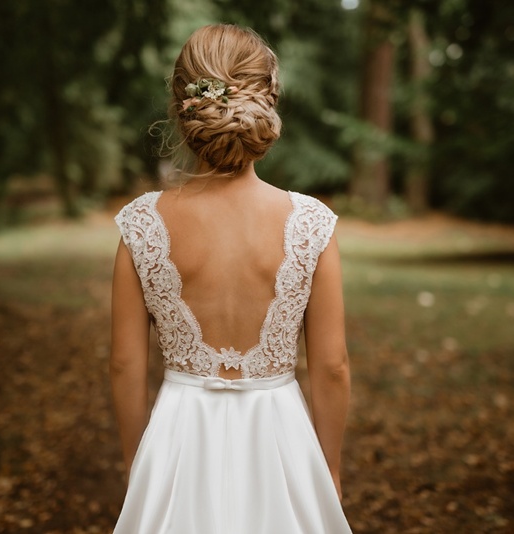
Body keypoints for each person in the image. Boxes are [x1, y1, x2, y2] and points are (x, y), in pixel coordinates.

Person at [110, 24, 352, 533]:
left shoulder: (143, 225)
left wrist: (139, 462)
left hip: (178, 440)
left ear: (182, 106)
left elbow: (125, 364)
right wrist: (327, 465)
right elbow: (331, 366)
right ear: (267, 100)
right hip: (281, 438)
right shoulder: (310, 225)